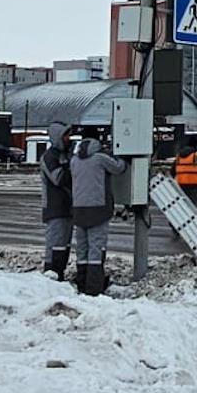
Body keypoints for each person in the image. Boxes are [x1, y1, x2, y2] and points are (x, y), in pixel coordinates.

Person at [69, 132, 126, 295]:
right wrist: (119, 155)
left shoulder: (74, 160)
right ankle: (94, 287)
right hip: (98, 209)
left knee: (82, 249)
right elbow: (119, 167)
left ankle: (82, 282)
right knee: (96, 248)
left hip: (78, 209)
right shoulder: (100, 158)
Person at [40, 121, 73, 279]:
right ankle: (51, 273)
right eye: (66, 135)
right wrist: (74, 168)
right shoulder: (49, 157)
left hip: (68, 208)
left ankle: (59, 273)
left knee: (64, 245)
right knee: (55, 245)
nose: (69, 138)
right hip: (55, 208)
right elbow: (58, 179)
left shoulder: (66, 155)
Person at [170, 142, 197, 239]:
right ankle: (191, 229)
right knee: (191, 207)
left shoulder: (178, 157)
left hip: (181, 184)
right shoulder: (196, 156)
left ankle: (175, 225)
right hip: (193, 185)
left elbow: (172, 172)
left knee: (181, 206)